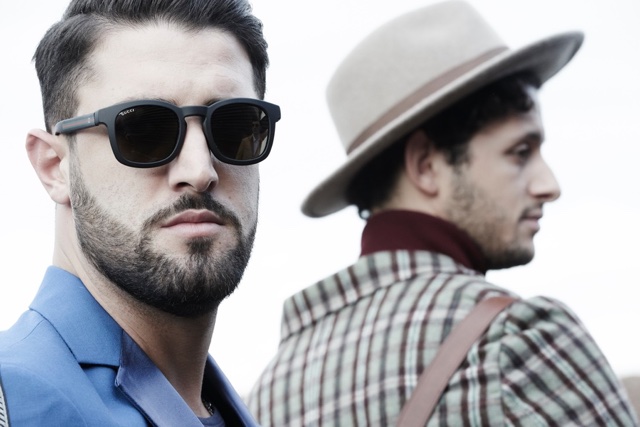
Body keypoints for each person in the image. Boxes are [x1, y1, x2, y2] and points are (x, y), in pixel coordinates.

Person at [247, 1, 638, 426]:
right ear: (426, 165)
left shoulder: (272, 391)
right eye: (520, 152)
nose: (549, 185)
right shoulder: (519, 343)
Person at [0, 0, 281, 425]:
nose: (199, 171)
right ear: (54, 166)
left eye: (234, 126)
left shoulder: (228, 409)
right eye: (143, 131)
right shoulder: (15, 401)